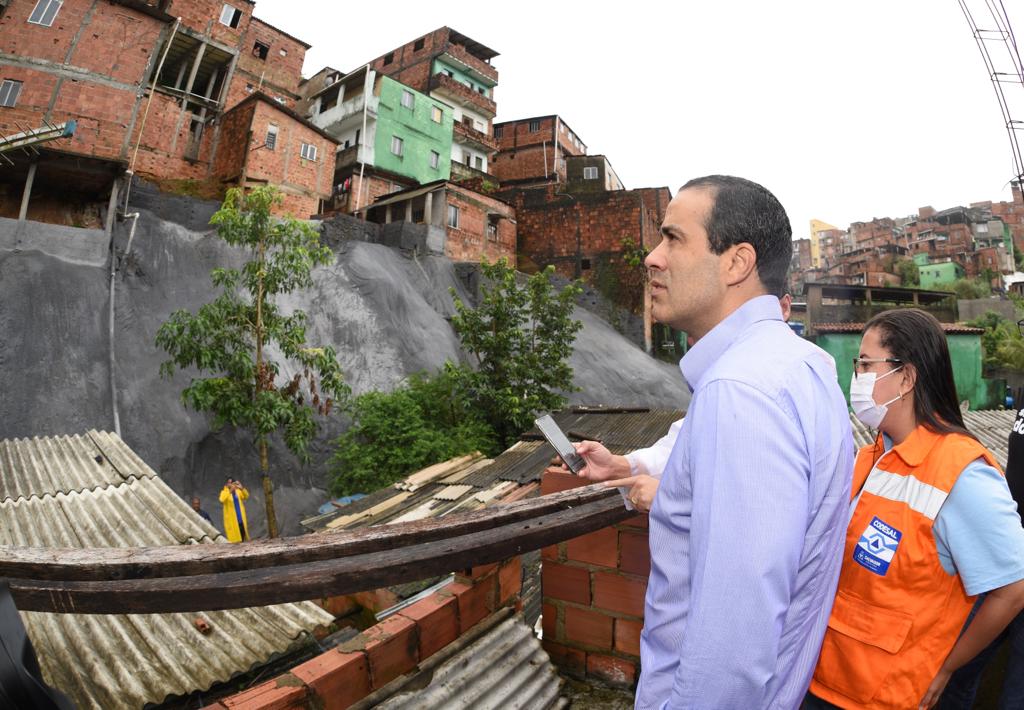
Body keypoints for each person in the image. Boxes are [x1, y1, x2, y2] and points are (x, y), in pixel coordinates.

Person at [581, 175, 855, 708]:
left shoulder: (743, 392)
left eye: (674, 239)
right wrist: (627, 465)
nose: (653, 258)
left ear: (736, 263)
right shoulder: (795, 366)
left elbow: (731, 651)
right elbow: (693, 447)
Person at [805, 309, 1024, 710]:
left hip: (891, 695)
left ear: (905, 378)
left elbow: (1012, 588)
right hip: (828, 679)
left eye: (866, 364)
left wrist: (947, 666)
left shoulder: (962, 474)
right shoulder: (870, 456)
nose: (857, 378)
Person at [551, 294, 795, 514]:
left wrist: (667, 500)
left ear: (783, 307)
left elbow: (767, 506)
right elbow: (682, 448)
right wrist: (618, 465)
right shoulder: (729, 382)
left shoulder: (776, 383)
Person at [219, 477, 249, 543]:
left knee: (242, 538)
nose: (231, 485)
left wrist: (242, 488)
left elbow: (246, 496)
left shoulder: (238, 492)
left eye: (233, 483)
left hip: (240, 518)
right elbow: (221, 499)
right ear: (226, 484)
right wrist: (230, 491)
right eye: (229, 483)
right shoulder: (224, 492)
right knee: (234, 541)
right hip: (232, 521)